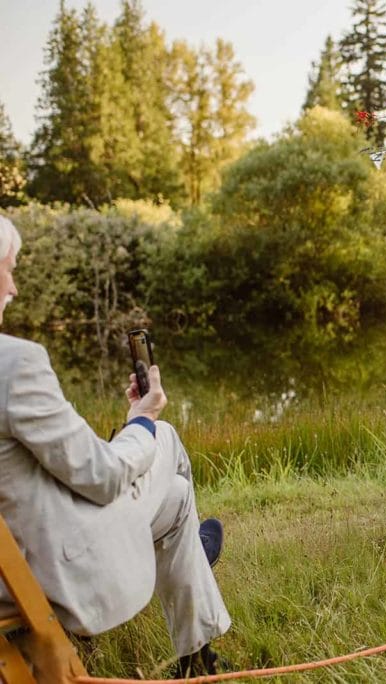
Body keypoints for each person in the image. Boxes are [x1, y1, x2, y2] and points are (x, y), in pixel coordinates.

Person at [0, 215, 231, 677]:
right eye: (8, 268)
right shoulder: (15, 364)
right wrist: (141, 419)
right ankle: (177, 554)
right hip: (40, 577)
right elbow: (102, 478)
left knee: (177, 498)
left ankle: (196, 655)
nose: (13, 287)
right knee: (163, 439)